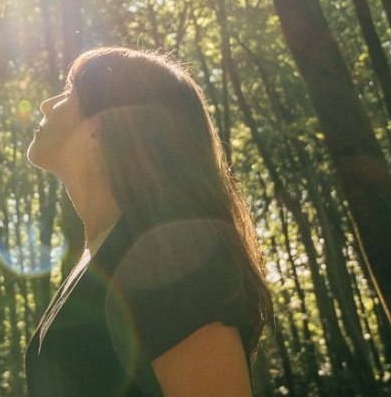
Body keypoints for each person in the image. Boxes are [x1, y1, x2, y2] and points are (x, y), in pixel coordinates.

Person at [24, 47, 271, 396]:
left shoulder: (170, 256)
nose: (46, 104)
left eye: (68, 92)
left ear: (99, 127)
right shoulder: (101, 255)